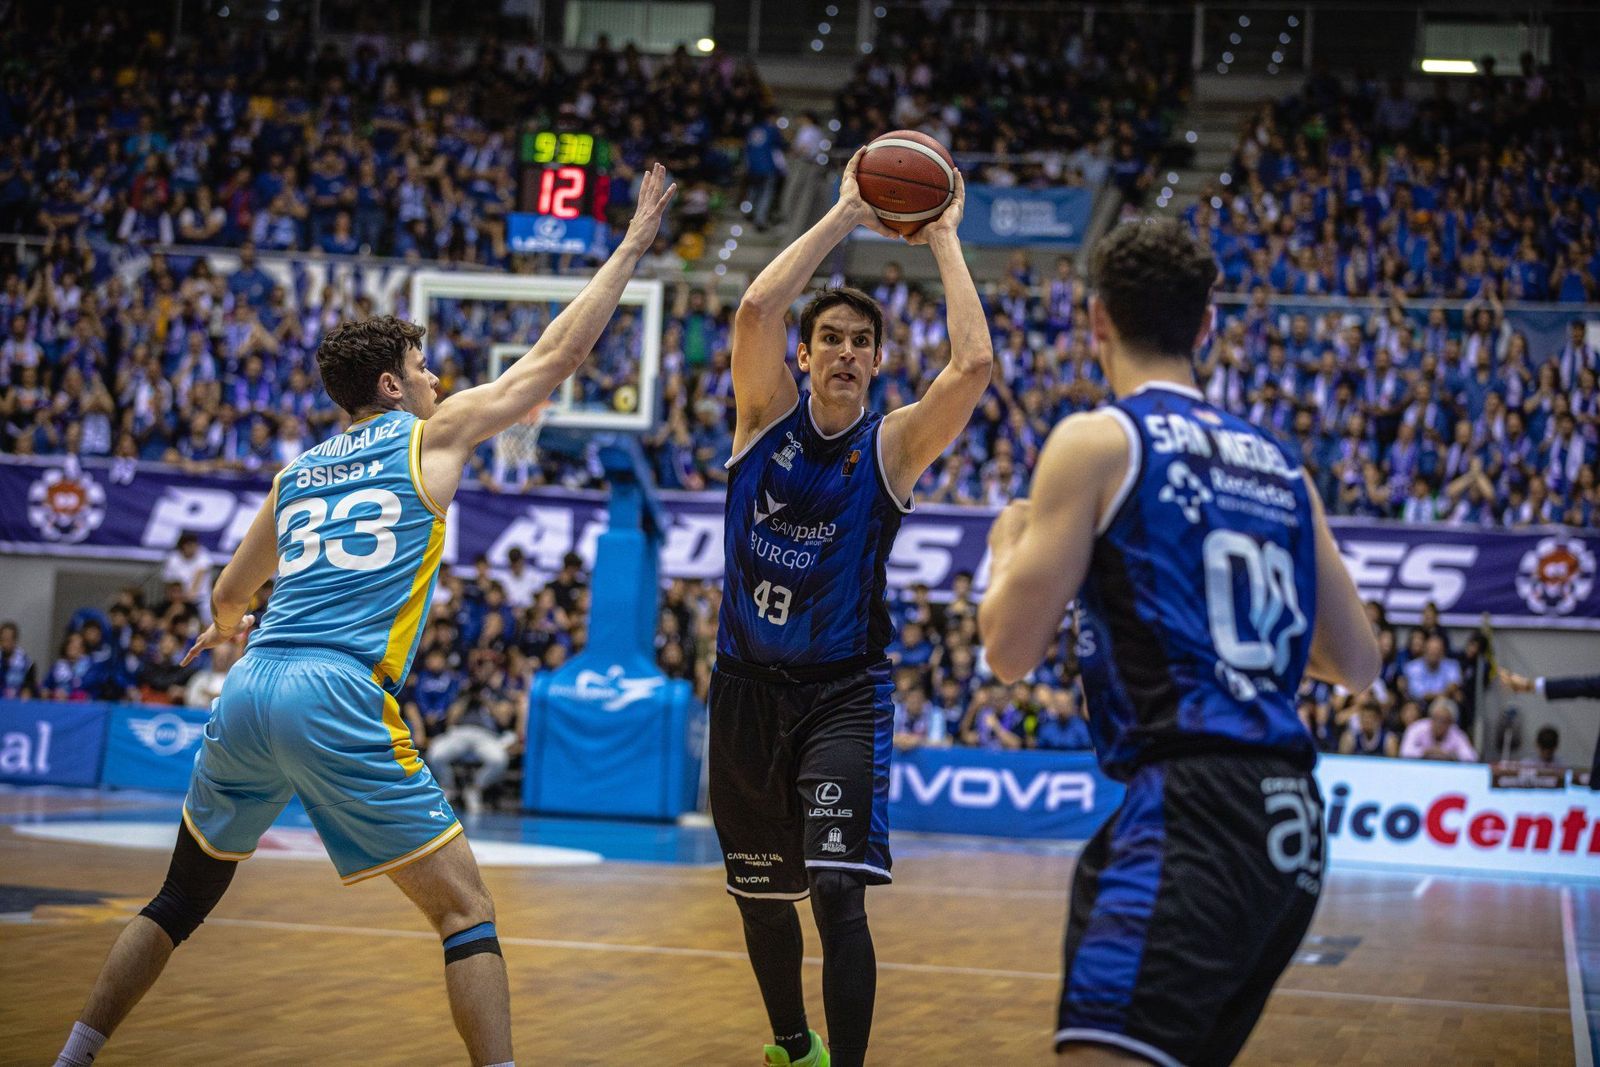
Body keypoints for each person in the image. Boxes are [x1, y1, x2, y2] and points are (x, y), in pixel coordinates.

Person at [49, 164, 677, 1067]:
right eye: (422, 367)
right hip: (336, 688)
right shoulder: (436, 433)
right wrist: (630, 245)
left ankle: (73, 1054)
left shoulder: (296, 473)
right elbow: (557, 358)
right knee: (466, 908)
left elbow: (229, 595)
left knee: (178, 899)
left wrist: (225, 627)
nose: (435, 378)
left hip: (250, 684)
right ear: (390, 385)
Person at [978, 219, 1379, 1065]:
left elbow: (1008, 651)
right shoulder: (1280, 465)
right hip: (1290, 823)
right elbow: (1357, 663)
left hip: (1192, 806)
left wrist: (1007, 544)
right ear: (1207, 324)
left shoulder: (1098, 441)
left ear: (1096, 320)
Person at [711, 150, 991, 1067]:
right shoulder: (761, 419)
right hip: (746, 690)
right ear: (805, 353)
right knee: (761, 892)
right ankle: (795, 1046)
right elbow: (754, 308)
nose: (843, 350)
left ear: (876, 363)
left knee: (836, 886)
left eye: (859, 342)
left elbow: (975, 363)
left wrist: (943, 236)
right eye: (827, 337)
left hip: (841, 694)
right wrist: (842, 215)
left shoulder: (893, 445)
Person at [1500, 668, 1600, 787]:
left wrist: (1531, 686)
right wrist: (1532, 686)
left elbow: (1585, 686)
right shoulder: (1529, 765)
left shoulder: (1560, 768)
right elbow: (1585, 686)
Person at [1399, 697, 1479, 762]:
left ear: (1451, 722)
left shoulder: (1456, 733)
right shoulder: (1416, 728)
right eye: (1436, 719)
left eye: (1444, 721)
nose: (1439, 724)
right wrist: (1425, 752)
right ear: (1430, 717)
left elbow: (1472, 756)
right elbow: (1404, 751)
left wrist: (1449, 754)